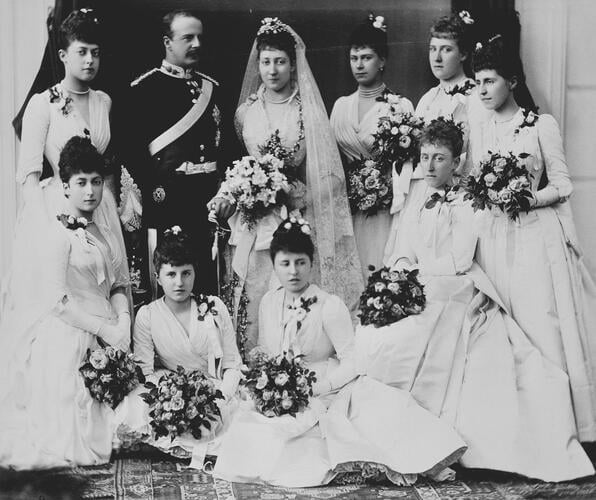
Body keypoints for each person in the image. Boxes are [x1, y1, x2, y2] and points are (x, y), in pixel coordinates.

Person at [370, 118, 594, 481]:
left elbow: (460, 258)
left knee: (450, 344)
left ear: (456, 162)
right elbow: (402, 251)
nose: (428, 166)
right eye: (424, 156)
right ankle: (395, 433)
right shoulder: (417, 202)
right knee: (382, 339)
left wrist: (420, 275)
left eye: (438, 158)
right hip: (424, 285)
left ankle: (449, 440)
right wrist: (403, 276)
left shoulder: (468, 204)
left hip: (457, 289)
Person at [213, 218, 467, 487]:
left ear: (311, 263)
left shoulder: (328, 305)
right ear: (274, 265)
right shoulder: (268, 302)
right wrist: (265, 383)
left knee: (313, 445)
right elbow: (267, 351)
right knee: (247, 433)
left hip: (327, 387)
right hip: (282, 389)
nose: (293, 272)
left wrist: (322, 386)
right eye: (285, 264)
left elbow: (353, 360)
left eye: (300, 262)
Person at [471, 35, 596, 443]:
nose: (483, 90)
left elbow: (562, 184)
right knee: (503, 328)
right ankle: (513, 431)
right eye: (478, 82)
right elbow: (477, 183)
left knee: (540, 324)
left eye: (489, 81)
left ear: (511, 80)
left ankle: (555, 428)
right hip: (494, 236)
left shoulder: (539, 125)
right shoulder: (484, 127)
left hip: (534, 238)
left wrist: (529, 197)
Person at [211, 17, 362, 351]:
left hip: (294, 214)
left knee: (287, 285)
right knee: (249, 291)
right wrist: (244, 189)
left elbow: (324, 173)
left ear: (293, 66)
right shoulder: (245, 113)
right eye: (266, 62)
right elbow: (238, 166)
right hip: (251, 221)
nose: (272, 69)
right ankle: (252, 361)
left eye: (280, 61)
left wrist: (285, 191)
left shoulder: (307, 112)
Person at [0, 136, 131, 469]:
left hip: (110, 332)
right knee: (81, 434)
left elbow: (117, 283)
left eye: (96, 182)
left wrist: (124, 322)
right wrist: (105, 328)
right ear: (66, 187)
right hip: (71, 330)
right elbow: (57, 302)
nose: (90, 191)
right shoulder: (55, 234)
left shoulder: (105, 231)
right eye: (81, 183)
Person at [8, 9, 129, 312]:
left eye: (96, 53)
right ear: (63, 55)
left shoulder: (104, 101)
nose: (90, 60)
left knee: (106, 291)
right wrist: (43, 226)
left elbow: (107, 164)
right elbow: (29, 175)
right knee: (65, 298)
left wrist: (114, 207)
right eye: (82, 52)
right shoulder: (42, 104)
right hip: (56, 209)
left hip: (99, 208)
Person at [122, 9, 226, 296]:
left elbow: (222, 149)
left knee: (206, 286)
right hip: (168, 206)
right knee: (171, 288)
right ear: (168, 42)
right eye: (187, 38)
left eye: (199, 38)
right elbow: (133, 157)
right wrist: (155, 198)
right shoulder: (143, 91)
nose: (196, 44)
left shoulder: (212, 89)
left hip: (206, 206)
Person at [116, 226, 242, 462]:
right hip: (171, 386)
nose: (179, 283)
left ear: (195, 273)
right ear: (158, 277)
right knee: (137, 404)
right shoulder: (148, 315)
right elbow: (146, 372)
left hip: (213, 387)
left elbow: (233, 364)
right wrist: (174, 396)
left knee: (242, 426)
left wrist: (220, 398)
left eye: (186, 273)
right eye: (171, 274)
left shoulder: (214, 306)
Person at [384, 11, 486, 262]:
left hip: (458, 198)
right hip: (421, 192)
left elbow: (478, 155)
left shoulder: (475, 98)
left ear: (463, 54)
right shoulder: (427, 99)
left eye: (446, 49)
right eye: (432, 49)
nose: (437, 57)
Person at [330, 15, 414, 278]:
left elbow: (408, 168)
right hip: (349, 208)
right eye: (354, 58)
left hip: (385, 209)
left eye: (366, 57)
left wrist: (383, 186)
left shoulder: (399, 106)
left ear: (382, 61)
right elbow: (332, 161)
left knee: (380, 271)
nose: (359, 64)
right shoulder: (340, 107)